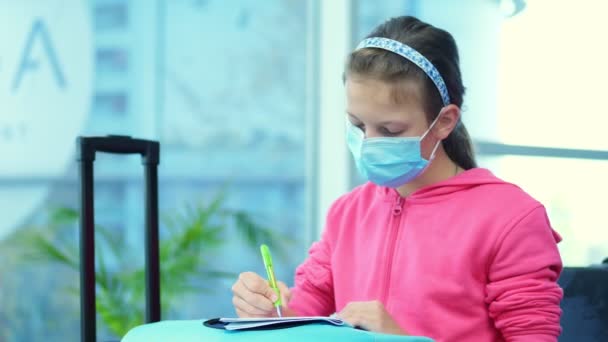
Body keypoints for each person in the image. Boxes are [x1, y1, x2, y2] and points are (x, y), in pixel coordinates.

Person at [231, 16, 562, 342]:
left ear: (445, 121)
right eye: (359, 126)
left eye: (390, 131)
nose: (369, 142)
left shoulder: (511, 219)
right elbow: (307, 320)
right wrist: (269, 313)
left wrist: (403, 341)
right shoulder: (347, 213)